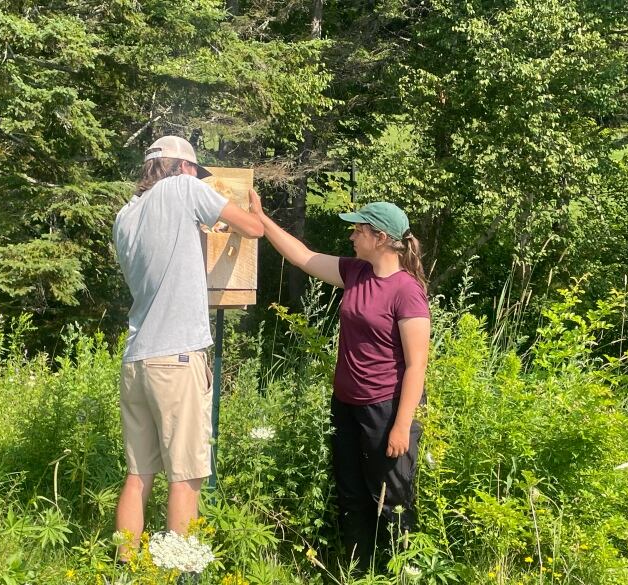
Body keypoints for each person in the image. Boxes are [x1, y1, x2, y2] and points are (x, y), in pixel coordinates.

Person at [249, 193, 430, 569]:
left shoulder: (406, 291)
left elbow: (416, 366)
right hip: (346, 405)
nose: (351, 236)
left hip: (386, 409)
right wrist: (262, 219)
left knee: (391, 499)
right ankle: (357, 571)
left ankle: (399, 572)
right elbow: (302, 256)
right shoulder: (355, 272)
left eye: (358, 230)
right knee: (351, 495)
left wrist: (401, 425)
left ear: (380, 238)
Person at [112, 135, 263, 558]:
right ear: (181, 167)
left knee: (138, 474)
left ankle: (126, 567)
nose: (199, 178)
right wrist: (255, 212)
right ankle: (181, 571)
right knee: (186, 476)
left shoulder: (125, 216)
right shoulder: (183, 189)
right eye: (197, 171)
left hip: (137, 357)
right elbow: (252, 229)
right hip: (177, 358)